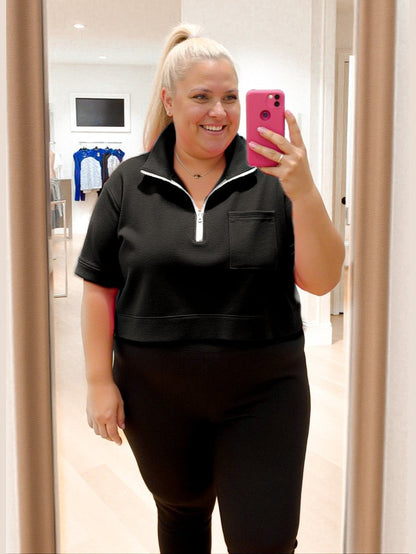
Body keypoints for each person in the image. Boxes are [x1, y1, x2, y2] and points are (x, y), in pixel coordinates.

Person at [75, 22, 344, 554]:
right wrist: (99, 382)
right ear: (169, 101)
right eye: (201, 97)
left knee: (265, 541)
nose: (219, 112)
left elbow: (323, 279)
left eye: (230, 97)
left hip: (266, 392)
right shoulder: (128, 183)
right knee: (181, 517)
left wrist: (305, 192)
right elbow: (98, 288)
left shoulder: (276, 180)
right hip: (155, 396)